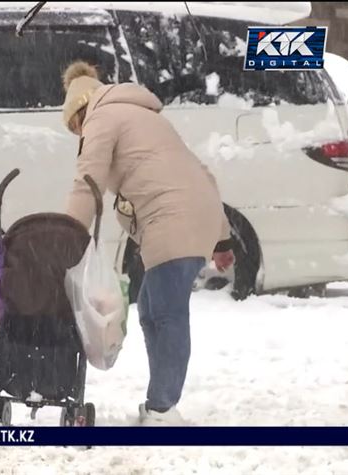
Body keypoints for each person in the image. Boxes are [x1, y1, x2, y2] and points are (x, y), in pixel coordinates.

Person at [61, 61, 236, 425]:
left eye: (76, 127)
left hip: (172, 218)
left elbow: (86, 182)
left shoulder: (101, 117)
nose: (79, 134)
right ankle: (160, 402)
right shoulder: (145, 116)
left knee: (168, 313)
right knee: (151, 310)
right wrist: (221, 239)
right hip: (193, 212)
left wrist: (65, 236)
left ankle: (163, 408)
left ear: (80, 108)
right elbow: (199, 173)